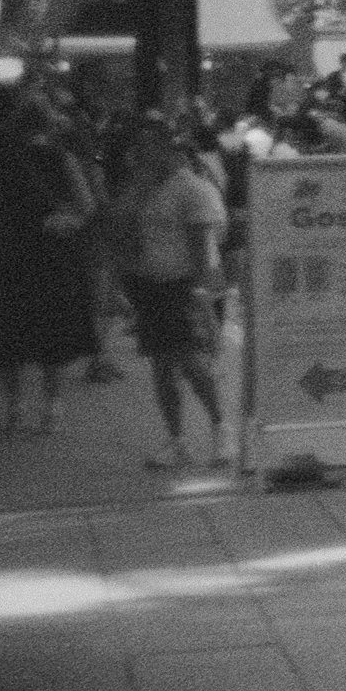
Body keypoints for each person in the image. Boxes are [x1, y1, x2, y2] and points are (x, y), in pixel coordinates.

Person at [0, 90, 101, 433]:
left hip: (12, 250)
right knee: (51, 335)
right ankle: (52, 407)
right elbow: (87, 207)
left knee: (9, 334)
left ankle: (14, 408)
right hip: (51, 252)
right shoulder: (61, 158)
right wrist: (66, 222)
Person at [114, 120, 231, 469]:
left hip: (182, 286)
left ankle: (221, 429)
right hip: (149, 285)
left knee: (194, 365)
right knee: (162, 367)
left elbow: (203, 246)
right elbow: (124, 231)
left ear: (167, 149)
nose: (141, 156)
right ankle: (176, 439)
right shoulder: (144, 189)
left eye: (149, 147)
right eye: (139, 148)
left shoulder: (191, 188)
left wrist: (202, 293)